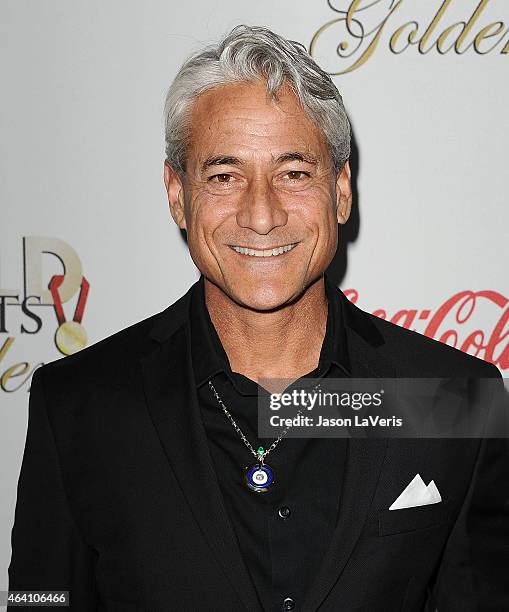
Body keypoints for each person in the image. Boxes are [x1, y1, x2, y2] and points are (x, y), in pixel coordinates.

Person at [8, 25, 508, 612]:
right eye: (224, 176)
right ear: (177, 194)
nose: (262, 214)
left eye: (293, 172)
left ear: (341, 190)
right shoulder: (80, 406)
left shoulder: (452, 397)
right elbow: (36, 602)